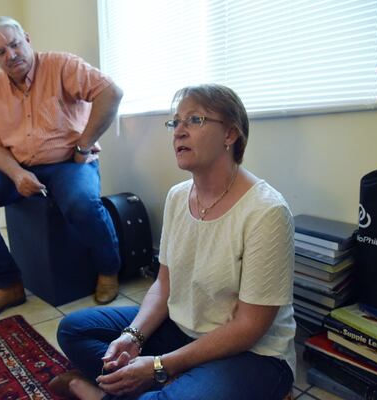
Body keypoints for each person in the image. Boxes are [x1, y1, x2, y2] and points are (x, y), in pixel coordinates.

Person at [49, 84, 296, 399]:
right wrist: (133, 336)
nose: (178, 131)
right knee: (74, 329)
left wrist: (158, 366)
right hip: (182, 331)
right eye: (175, 122)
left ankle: (93, 390)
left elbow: (250, 327)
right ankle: (158, 384)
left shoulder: (266, 211)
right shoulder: (178, 196)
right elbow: (164, 286)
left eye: (194, 120)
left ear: (230, 134)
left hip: (252, 354)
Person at [0, 16, 123, 322]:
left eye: (14, 44)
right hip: (22, 168)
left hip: (70, 163)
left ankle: (108, 269)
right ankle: (7, 284)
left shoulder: (62, 65)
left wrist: (83, 145)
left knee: (81, 203)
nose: (11, 55)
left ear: (26, 39)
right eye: (0, 52)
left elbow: (111, 93)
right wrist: (17, 174)